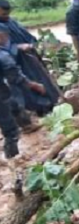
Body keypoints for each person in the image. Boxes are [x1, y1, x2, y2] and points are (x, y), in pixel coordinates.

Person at [0, 26, 46, 160]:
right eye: (5, 37)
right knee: (9, 128)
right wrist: (34, 85)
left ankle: (26, 125)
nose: (7, 39)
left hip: (2, 88)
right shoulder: (2, 55)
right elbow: (15, 76)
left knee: (13, 103)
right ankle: (13, 158)